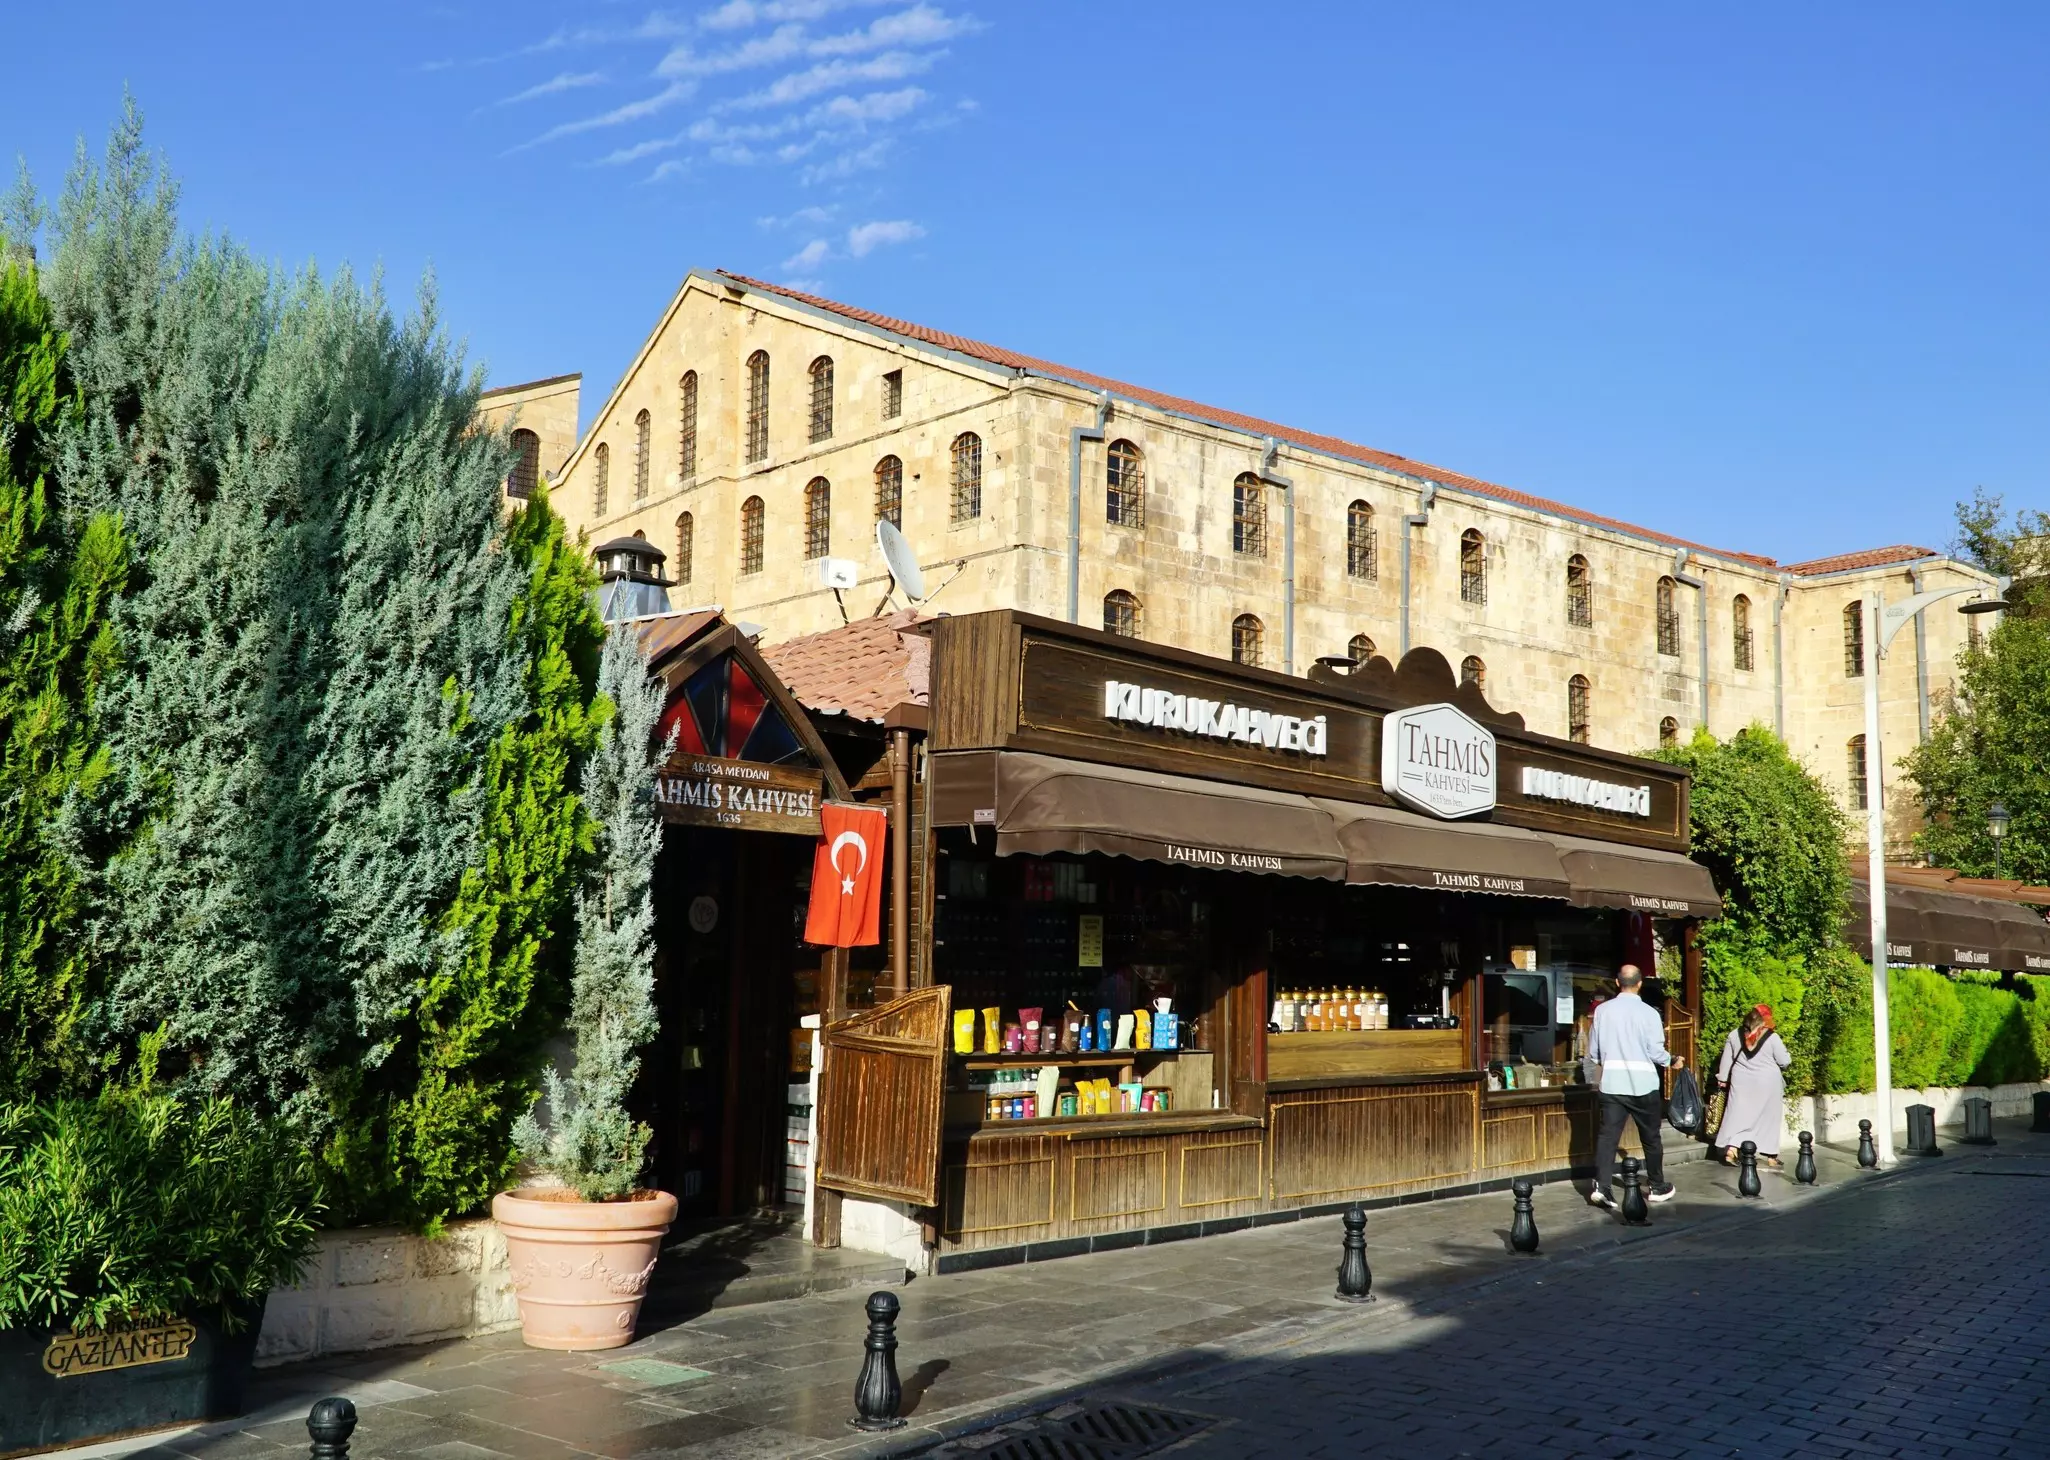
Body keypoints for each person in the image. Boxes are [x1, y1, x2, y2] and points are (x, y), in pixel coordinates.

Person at [1585, 964, 1681, 1209]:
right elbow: (1655, 1051)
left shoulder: (1602, 1011)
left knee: (1608, 1137)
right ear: (1640, 983)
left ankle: (1602, 1187)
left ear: (1617, 983)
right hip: (1643, 1084)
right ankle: (1657, 1186)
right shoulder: (1649, 1013)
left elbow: (1594, 1053)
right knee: (1650, 1138)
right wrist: (1672, 1060)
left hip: (1612, 1083)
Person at [1713, 1005, 1791, 1169]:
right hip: (1768, 1083)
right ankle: (1771, 1156)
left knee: (1738, 1115)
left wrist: (1723, 1078)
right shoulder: (1772, 1037)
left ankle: (1732, 1150)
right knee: (1768, 1118)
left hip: (1740, 1081)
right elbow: (1785, 1061)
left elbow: (1727, 1060)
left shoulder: (1735, 1035)